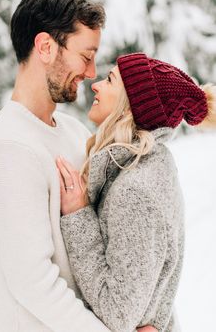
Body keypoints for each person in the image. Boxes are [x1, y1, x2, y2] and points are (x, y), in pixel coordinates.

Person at [0, 0, 157, 332]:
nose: (91, 72)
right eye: (85, 55)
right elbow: (33, 282)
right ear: (46, 47)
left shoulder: (75, 132)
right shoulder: (9, 146)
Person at [57, 52, 216, 332]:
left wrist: (78, 216)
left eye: (109, 80)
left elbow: (118, 313)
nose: (95, 85)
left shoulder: (135, 191)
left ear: (130, 105)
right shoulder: (154, 163)